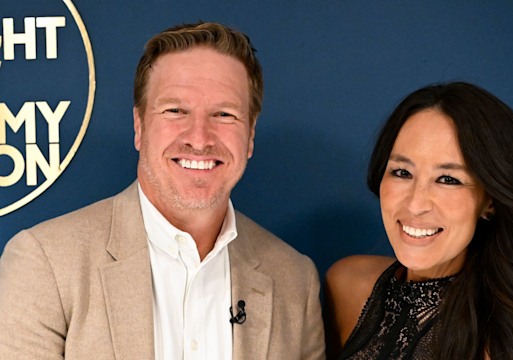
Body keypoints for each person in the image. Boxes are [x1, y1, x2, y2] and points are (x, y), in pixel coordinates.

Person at [0, 22, 325, 360]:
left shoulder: (295, 280)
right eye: (175, 110)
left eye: (224, 114)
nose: (199, 138)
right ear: (139, 126)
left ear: (251, 136)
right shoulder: (46, 263)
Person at [324, 82, 513, 359]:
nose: (416, 204)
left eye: (448, 180)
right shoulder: (347, 284)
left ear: (491, 201)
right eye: (402, 172)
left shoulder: (510, 344)